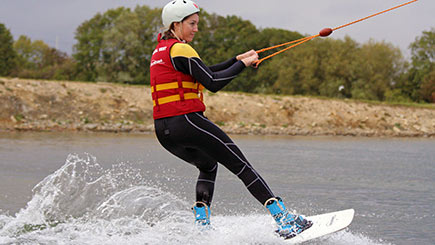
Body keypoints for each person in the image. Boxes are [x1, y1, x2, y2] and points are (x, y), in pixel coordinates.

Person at [150, 0, 312, 239]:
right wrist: (243, 66)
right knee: (241, 166)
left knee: (208, 165)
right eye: (192, 24)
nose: (196, 29)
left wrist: (237, 60)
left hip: (164, 131)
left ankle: (201, 226)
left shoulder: (161, 51)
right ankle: (285, 219)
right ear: (177, 24)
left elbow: (207, 71)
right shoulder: (181, 49)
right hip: (188, 122)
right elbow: (213, 83)